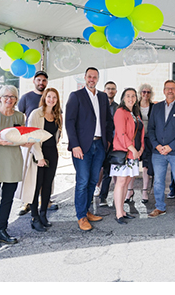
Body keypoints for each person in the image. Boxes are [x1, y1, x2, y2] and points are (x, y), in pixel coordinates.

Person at [0, 85, 31, 245]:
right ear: (0, 98)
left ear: (16, 100)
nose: (9, 99)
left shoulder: (19, 117)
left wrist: (27, 142)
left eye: (13, 97)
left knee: (7, 199)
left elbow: (21, 138)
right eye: (6, 96)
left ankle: (2, 230)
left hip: (13, 162)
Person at [65, 67, 114, 231]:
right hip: (82, 147)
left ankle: (86, 210)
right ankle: (81, 216)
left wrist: (107, 142)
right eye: (90, 76)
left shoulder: (102, 96)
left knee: (93, 181)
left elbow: (108, 120)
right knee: (83, 181)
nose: (92, 79)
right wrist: (75, 145)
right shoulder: (76, 96)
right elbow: (69, 122)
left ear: (98, 79)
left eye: (95, 77)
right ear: (85, 78)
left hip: (99, 145)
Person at [147, 80, 175, 220]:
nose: (170, 91)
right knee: (158, 181)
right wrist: (157, 146)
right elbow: (151, 129)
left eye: (173, 88)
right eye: (167, 88)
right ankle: (160, 207)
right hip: (158, 151)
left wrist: (170, 146)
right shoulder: (156, 107)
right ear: (164, 90)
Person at [16, 70, 56, 216]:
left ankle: (45, 203)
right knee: (32, 179)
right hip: (32, 145)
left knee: (46, 181)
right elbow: (20, 119)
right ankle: (26, 204)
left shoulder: (55, 109)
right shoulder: (26, 98)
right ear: (34, 81)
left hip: (50, 148)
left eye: (44, 80)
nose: (41, 83)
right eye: (38, 80)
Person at [26, 88, 62, 232]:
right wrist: (39, 157)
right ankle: (34, 217)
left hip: (52, 152)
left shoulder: (57, 115)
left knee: (47, 185)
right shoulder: (36, 114)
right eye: (49, 97)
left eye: (54, 97)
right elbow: (32, 136)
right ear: (44, 98)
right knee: (37, 185)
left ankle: (43, 215)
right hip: (39, 154)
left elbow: (57, 134)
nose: (51, 100)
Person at [111, 88, 144, 224]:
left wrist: (141, 148)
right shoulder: (120, 112)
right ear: (123, 98)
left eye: (133, 96)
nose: (131, 98)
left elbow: (140, 131)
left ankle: (123, 210)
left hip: (134, 153)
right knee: (121, 182)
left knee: (127, 182)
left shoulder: (135, 113)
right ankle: (118, 213)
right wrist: (132, 149)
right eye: (128, 96)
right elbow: (121, 133)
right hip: (124, 153)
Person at [97, 81, 119, 207]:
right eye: (108, 89)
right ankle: (92, 192)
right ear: (104, 90)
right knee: (95, 170)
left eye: (113, 89)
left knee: (108, 172)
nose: (110, 91)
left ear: (116, 92)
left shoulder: (118, 108)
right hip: (99, 142)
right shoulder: (99, 105)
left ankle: (103, 197)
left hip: (112, 143)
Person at [138, 83, 155, 204]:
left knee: (146, 165)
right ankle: (129, 190)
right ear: (140, 93)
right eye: (144, 92)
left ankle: (145, 190)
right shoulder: (135, 106)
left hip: (149, 138)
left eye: (148, 92)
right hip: (137, 138)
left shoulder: (154, 106)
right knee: (132, 164)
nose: (146, 94)